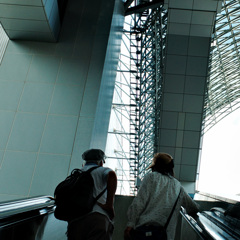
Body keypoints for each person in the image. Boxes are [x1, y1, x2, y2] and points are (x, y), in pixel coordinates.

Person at [124, 152, 199, 240]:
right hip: (165, 236)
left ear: (156, 166)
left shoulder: (151, 177)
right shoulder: (178, 186)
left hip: (144, 232)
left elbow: (139, 203)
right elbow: (193, 207)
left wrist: (130, 224)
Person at [67, 148, 117, 240]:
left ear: (84, 162)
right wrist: (109, 205)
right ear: (101, 162)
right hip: (97, 217)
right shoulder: (101, 170)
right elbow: (112, 175)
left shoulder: (76, 174)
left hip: (75, 220)